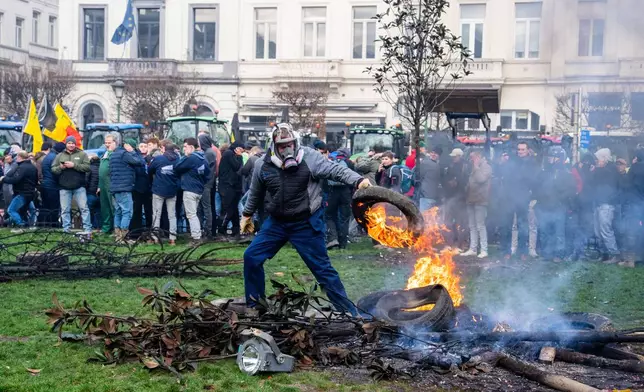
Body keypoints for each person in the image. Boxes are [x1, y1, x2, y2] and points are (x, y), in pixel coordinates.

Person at [240, 123, 371, 314]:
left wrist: (358, 180)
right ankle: (255, 306)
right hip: (277, 222)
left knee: (322, 270)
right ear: (274, 145)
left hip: (306, 223)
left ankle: (351, 313)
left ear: (296, 142)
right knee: (251, 256)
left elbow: (337, 171)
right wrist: (247, 214)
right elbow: (255, 192)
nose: (287, 149)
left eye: (290, 144)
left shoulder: (310, 158)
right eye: (282, 146)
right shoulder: (263, 164)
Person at [533, 146, 576, 262]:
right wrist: (540, 198)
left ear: (559, 158)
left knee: (559, 233)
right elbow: (536, 187)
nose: (549, 159)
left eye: (552, 157)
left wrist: (560, 198)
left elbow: (571, 190)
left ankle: (559, 254)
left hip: (559, 207)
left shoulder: (566, 173)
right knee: (545, 231)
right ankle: (547, 254)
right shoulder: (544, 173)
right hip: (544, 207)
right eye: (550, 157)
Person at [500, 142, 537, 260]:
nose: (520, 151)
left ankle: (523, 251)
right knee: (506, 225)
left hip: (523, 198)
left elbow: (533, 179)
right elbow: (504, 176)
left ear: (528, 150)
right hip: (509, 197)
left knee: (523, 226)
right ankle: (507, 251)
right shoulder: (512, 161)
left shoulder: (531, 163)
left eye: (523, 149)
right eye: (519, 149)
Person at [51, 136, 92, 234]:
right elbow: (53, 169)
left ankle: (87, 229)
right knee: (65, 210)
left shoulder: (82, 154)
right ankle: (66, 230)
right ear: (66, 144)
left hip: (79, 186)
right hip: (64, 187)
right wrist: (61, 167)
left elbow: (87, 167)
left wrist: (74, 165)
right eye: (69, 143)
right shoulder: (60, 155)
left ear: (75, 144)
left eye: (73, 143)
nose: (71, 145)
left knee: (84, 208)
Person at [174, 137, 211, 246]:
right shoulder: (203, 158)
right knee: (195, 214)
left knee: (191, 215)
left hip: (189, 190)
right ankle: (197, 234)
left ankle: (196, 238)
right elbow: (207, 175)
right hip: (199, 190)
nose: (183, 149)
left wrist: (185, 156)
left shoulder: (191, 158)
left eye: (185, 147)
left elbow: (177, 167)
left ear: (191, 147)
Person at [107, 133, 142, 242]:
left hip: (115, 188)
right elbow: (139, 161)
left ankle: (118, 237)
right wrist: (132, 151)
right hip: (124, 188)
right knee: (127, 212)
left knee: (118, 212)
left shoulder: (113, 155)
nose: (107, 145)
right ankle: (124, 238)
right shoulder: (124, 154)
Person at [460, 151, 492, 258]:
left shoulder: (486, 167)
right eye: (471, 157)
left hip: (480, 201)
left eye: (473, 157)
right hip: (470, 200)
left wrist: (477, 166)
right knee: (472, 226)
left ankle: (484, 250)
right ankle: (473, 249)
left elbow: (481, 179)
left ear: (479, 157)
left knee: (480, 226)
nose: (471, 159)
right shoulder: (472, 167)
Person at [592, 148, 621, 264]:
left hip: (607, 205)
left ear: (604, 158)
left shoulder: (611, 170)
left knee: (605, 230)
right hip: (598, 204)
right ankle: (604, 254)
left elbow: (611, 188)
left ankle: (614, 254)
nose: (596, 161)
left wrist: (597, 170)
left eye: (598, 159)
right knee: (598, 231)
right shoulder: (601, 170)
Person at [148, 143, 180, 245]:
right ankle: (172, 239)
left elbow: (150, 170)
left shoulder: (159, 159)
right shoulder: (178, 159)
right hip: (172, 190)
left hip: (158, 190)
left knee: (156, 215)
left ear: (164, 149)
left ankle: (155, 238)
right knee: (172, 215)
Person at [1, 151, 38, 232]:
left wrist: (3, 179)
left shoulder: (22, 167)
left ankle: (21, 225)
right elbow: (36, 180)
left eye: (17, 157)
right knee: (24, 211)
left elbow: (15, 179)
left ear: (20, 157)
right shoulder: (33, 167)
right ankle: (29, 225)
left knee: (11, 210)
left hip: (22, 193)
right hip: (31, 193)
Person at [325, 148, 354, 249]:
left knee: (329, 216)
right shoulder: (349, 163)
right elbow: (354, 178)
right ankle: (343, 243)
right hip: (345, 192)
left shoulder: (330, 161)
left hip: (332, 192)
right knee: (344, 218)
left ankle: (333, 239)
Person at [218, 141, 244, 240]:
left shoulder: (231, 154)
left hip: (233, 187)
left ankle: (236, 230)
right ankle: (221, 229)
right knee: (227, 210)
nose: (242, 152)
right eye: (241, 149)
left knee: (234, 210)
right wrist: (239, 157)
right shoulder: (229, 154)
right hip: (227, 187)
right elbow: (237, 167)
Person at [442, 148, 468, 250]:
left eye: (455, 156)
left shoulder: (465, 167)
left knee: (461, 222)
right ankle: (450, 243)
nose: (453, 158)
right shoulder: (450, 166)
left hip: (461, 199)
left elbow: (466, 183)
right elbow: (444, 180)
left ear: (460, 156)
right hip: (449, 197)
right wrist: (448, 183)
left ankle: (461, 244)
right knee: (448, 222)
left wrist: (458, 183)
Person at [126, 138, 152, 237]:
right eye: (141, 146)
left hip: (148, 188)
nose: (143, 148)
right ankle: (136, 232)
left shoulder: (151, 158)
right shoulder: (135, 158)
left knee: (149, 210)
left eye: (145, 146)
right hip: (137, 188)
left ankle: (150, 230)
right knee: (136, 210)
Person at [197, 134, 217, 239]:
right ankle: (201, 229)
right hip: (205, 183)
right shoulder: (208, 152)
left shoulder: (209, 153)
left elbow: (204, 168)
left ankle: (208, 231)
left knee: (206, 207)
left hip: (206, 184)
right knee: (201, 207)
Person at [38, 142, 61, 226]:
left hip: (45, 184)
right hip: (52, 186)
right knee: (53, 207)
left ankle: (41, 224)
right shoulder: (55, 157)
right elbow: (56, 173)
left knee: (45, 206)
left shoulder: (48, 157)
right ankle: (53, 224)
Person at [414, 146, 442, 211]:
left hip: (432, 196)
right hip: (425, 195)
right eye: (432, 152)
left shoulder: (437, 164)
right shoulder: (426, 163)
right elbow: (418, 176)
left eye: (436, 153)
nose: (433, 154)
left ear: (439, 155)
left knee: (428, 217)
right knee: (425, 217)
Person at [98, 138, 114, 234]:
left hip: (110, 183)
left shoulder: (114, 154)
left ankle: (115, 228)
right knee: (104, 206)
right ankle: (106, 228)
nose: (107, 144)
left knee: (112, 207)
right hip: (103, 184)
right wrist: (99, 186)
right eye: (106, 143)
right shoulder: (104, 154)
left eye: (110, 142)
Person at [86, 154, 101, 230]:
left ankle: (89, 226)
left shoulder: (89, 168)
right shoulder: (101, 168)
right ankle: (98, 226)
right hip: (100, 194)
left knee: (89, 210)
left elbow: (86, 180)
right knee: (98, 211)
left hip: (90, 193)